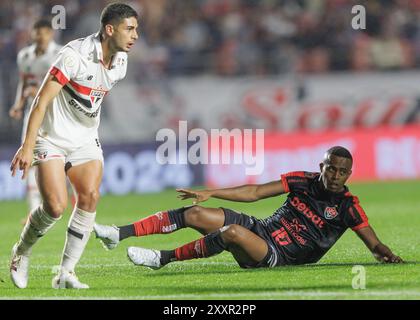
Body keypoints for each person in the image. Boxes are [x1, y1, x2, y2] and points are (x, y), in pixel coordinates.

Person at [94, 146, 403, 270]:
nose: (335, 176)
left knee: (231, 233)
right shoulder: (301, 180)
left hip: (278, 256)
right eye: (331, 169)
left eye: (342, 172)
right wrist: (210, 192)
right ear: (322, 166)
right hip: (263, 230)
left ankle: (162, 259)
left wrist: (387, 255)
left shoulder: (349, 207)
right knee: (196, 212)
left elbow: (374, 243)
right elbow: (255, 192)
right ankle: (117, 233)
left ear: (349, 174)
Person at [9, 2, 139, 289]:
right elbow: (41, 101)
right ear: (109, 29)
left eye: (136, 29)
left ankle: (65, 273)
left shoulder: (121, 63)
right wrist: (28, 146)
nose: (135, 35)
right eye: (129, 28)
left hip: (84, 139)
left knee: (90, 196)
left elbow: (91, 100)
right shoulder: (73, 56)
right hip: (51, 136)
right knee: (55, 206)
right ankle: (21, 252)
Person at [9, 19, 62, 224]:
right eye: (37, 32)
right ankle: (33, 210)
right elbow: (24, 82)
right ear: (32, 33)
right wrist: (18, 104)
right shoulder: (24, 56)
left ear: (50, 34)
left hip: (57, 113)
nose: (40, 36)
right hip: (33, 114)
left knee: (62, 156)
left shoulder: (59, 54)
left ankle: (68, 201)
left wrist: (38, 90)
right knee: (28, 159)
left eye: (44, 32)